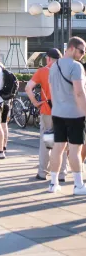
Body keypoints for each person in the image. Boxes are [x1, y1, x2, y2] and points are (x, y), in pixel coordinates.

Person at [48, 37, 86, 194]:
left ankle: (53, 183)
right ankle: (78, 185)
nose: (83, 54)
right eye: (81, 51)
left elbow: (52, 91)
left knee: (58, 148)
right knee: (75, 150)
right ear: (71, 48)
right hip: (75, 114)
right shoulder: (76, 66)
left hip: (57, 112)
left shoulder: (53, 66)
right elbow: (79, 92)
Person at [26, 48, 67, 182]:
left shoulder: (43, 71)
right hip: (65, 112)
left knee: (47, 143)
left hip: (48, 111)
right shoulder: (66, 70)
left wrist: (35, 102)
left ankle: (43, 172)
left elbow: (28, 88)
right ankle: (62, 174)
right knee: (62, 143)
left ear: (48, 58)